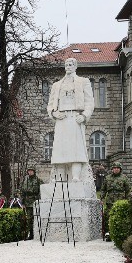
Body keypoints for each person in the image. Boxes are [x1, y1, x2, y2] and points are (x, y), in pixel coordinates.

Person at [46, 57, 95, 196]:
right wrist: (54, 114)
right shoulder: (57, 85)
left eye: (71, 64)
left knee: (76, 148)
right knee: (60, 150)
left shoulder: (83, 82)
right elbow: (50, 105)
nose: (68, 66)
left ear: (76, 66)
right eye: (66, 64)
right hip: (61, 119)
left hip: (75, 118)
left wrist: (84, 115)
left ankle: (76, 177)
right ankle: (60, 178)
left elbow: (89, 102)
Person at [100, 162, 131, 240]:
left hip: (121, 200)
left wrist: (128, 200)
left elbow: (128, 190)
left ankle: (120, 234)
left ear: (120, 169)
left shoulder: (124, 178)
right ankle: (108, 233)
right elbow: (103, 189)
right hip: (110, 200)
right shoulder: (107, 178)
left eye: (117, 168)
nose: (116, 169)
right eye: (114, 168)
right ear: (112, 169)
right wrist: (102, 198)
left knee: (120, 216)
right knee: (108, 215)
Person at [20, 167, 43, 239]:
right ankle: (31, 234)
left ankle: (39, 233)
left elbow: (42, 190)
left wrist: (38, 198)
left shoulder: (38, 180)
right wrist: (22, 202)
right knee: (29, 219)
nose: (30, 172)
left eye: (31, 171)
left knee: (37, 217)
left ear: (34, 171)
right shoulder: (25, 180)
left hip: (35, 200)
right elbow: (22, 192)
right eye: (29, 171)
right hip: (27, 202)